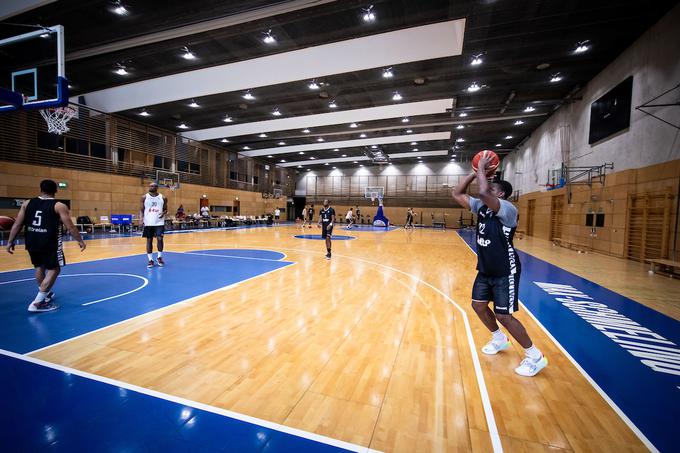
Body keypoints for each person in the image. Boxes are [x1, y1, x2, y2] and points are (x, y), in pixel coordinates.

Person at [452, 156, 547, 377]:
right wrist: (474, 173)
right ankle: (499, 338)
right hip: (485, 269)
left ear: (501, 194)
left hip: (506, 271)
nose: (484, 188)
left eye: (491, 187)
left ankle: (535, 356)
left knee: (504, 316)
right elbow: (457, 193)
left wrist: (483, 170)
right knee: (478, 306)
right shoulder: (482, 207)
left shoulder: (507, 209)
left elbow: (484, 192)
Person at [5, 179, 86, 312]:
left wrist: (9, 242)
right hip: (49, 242)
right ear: (55, 191)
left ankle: (45, 294)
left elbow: (18, 224)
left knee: (39, 267)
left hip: (31, 240)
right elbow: (70, 226)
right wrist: (80, 240)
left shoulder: (27, 203)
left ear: (40, 189)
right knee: (55, 269)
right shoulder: (59, 205)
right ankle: (38, 303)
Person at [140, 182, 167, 268]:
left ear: (156, 187)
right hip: (148, 222)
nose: (151, 187)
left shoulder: (163, 197)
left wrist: (163, 213)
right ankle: (150, 260)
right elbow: (141, 210)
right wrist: (141, 219)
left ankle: (159, 257)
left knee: (160, 239)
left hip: (159, 222)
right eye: (150, 186)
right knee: (149, 240)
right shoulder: (144, 197)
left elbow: (166, 209)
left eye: (153, 186)